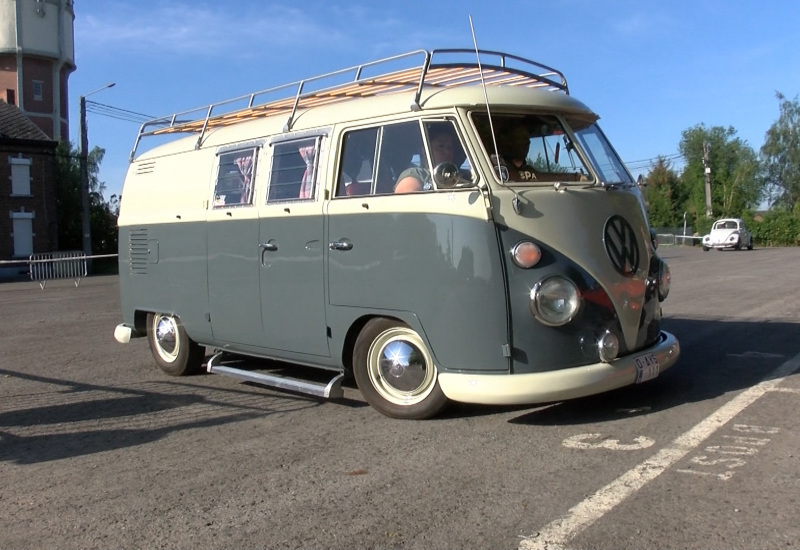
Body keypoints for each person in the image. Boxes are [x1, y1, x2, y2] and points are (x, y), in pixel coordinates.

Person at [394, 126, 456, 193]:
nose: (447, 152)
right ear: (425, 150)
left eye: (450, 147)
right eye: (441, 146)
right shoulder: (416, 174)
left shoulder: (456, 175)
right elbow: (407, 201)